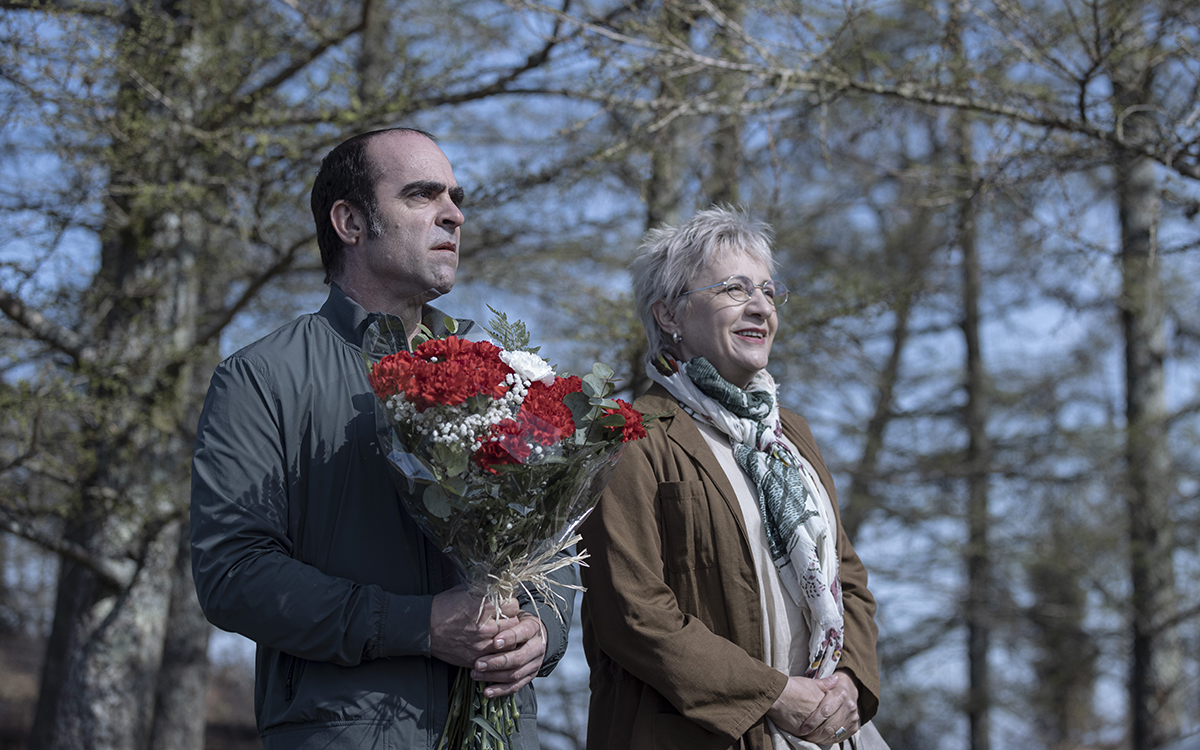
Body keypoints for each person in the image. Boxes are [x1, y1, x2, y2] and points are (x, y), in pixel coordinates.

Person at [190, 127, 571, 749]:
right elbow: (233, 573)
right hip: (347, 732)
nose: (454, 214)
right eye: (422, 196)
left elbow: (552, 543)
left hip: (499, 730)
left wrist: (540, 632)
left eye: (455, 196)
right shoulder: (261, 378)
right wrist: (415, 625)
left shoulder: (505, 369)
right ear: (350, 222)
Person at [579, 206, 884, 750]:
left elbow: (851, 580)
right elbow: (633, 614)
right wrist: (771, 695)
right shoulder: (628, 436)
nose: (761, 307)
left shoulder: (792, 434)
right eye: (735, 289)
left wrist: (851, 682)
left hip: (825, 732)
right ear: (669, 314)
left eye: (769, 291)